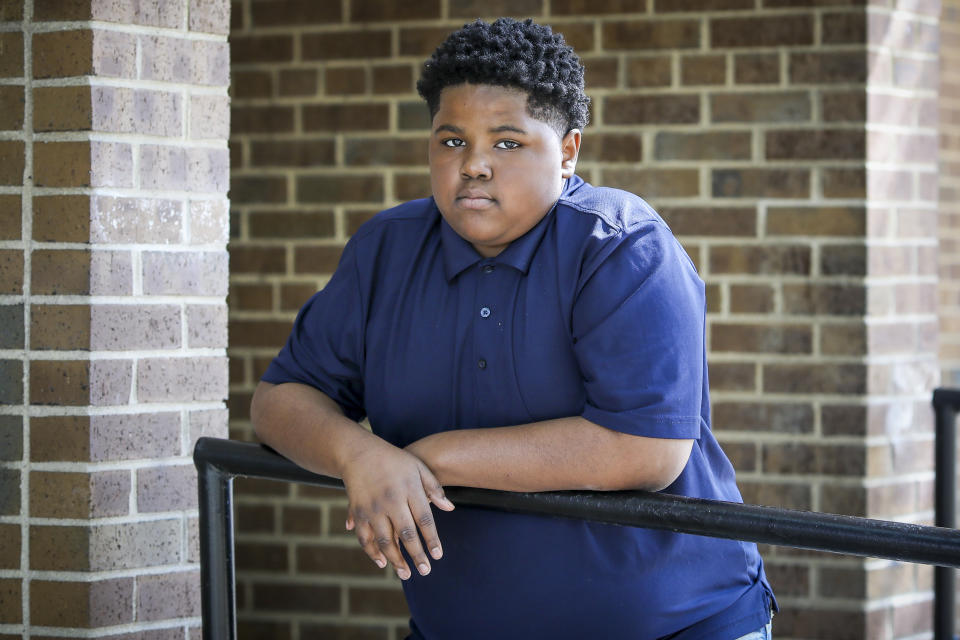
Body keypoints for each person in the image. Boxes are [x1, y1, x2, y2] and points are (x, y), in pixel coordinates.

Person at [252, 17, 776, 640]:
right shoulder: (386, 251)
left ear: (569, 151)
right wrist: (357, 453)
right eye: (451, 141)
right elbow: (279, 401)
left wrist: (430, 458)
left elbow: (646, 449)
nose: (473, 165)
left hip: (677, 625)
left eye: (507, 143)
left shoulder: (619, 247)